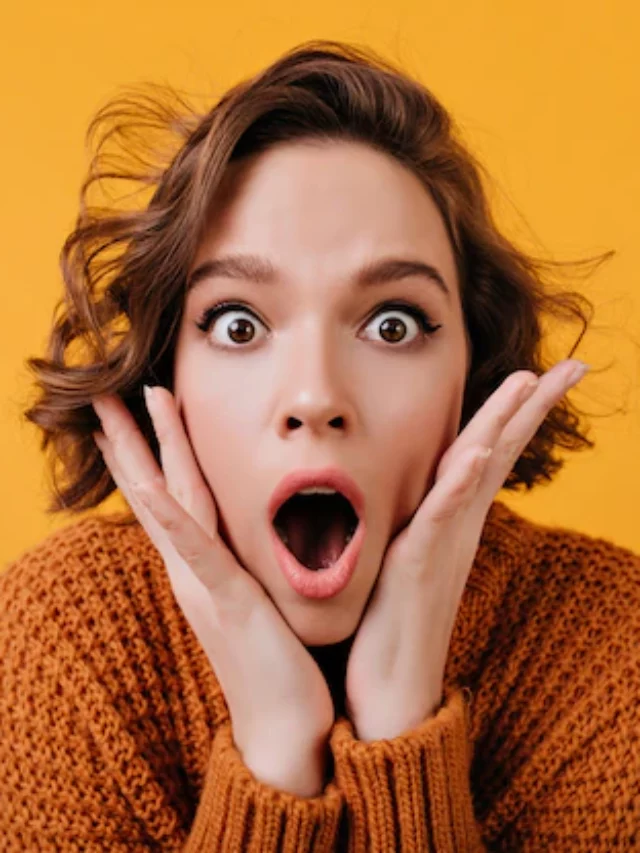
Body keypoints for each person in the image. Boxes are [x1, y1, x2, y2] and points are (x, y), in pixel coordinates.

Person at [1, 39, 638, 852]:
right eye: (238, 323)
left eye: (392, 323)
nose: (315, 397)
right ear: (167, 376)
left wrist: (403, 731)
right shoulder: (63, 647)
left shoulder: (610, 646)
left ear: (472, 374)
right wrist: (272, 750)